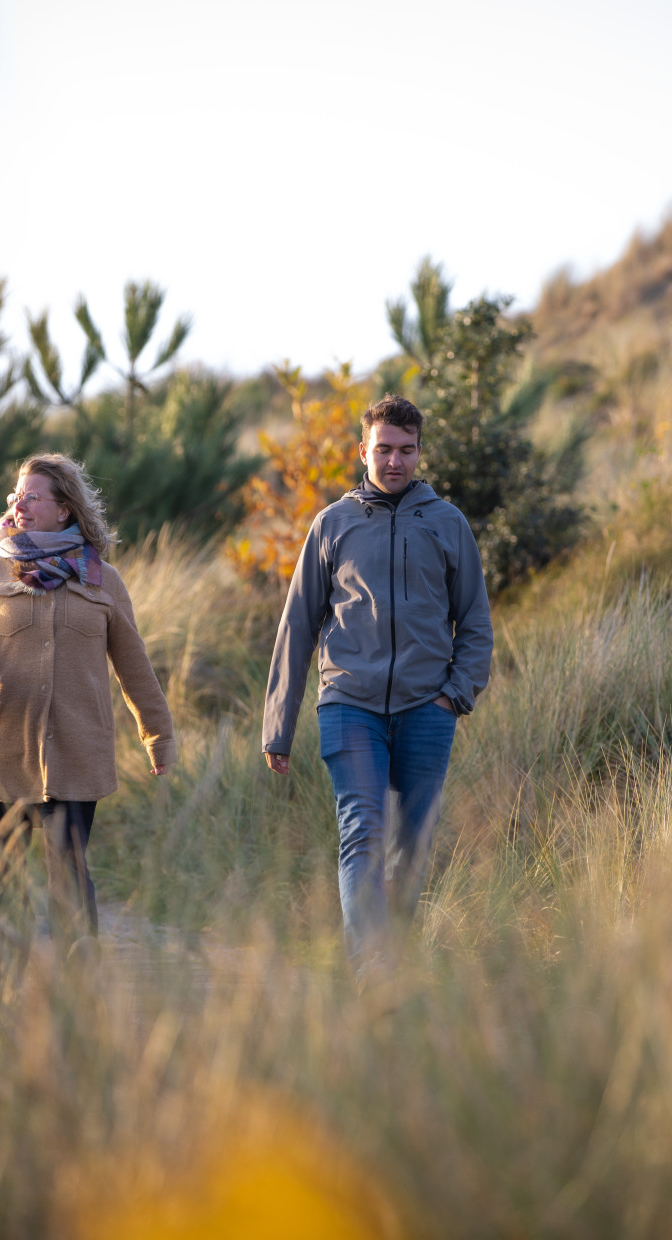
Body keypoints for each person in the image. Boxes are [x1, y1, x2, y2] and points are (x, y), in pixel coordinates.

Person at [262, 395, 493, 965]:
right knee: (361, 833)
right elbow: (297, 626)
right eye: (384, 450)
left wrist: (453, 697)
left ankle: (397, 961)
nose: (395, 461)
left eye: (407, 451)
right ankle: (372, 976)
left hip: (426, 708)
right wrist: (278, 727)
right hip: (349, 704)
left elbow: (477, 622)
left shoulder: (447, 523)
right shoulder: (332, 525)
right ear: (362, 451)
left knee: (409, 851)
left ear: (419, 453)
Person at [0, 453, 175, 963]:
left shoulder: (103, 580)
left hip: (78, 749)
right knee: (0, 867)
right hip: (5, 747)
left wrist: (157, 735)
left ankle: (80, 981)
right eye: (16, 495)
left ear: (64, 510)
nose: (18, 504)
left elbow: (133, 663)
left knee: (68, 865)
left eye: (31, 496)